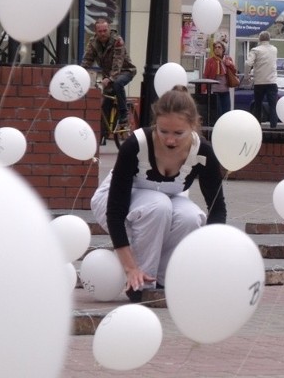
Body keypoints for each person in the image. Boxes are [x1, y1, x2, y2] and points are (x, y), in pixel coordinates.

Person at [90, 85, 227, 303]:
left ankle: (165, 280)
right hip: (114, 202)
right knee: (159, 206)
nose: (170, 140)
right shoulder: (136, 145)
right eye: (163, 131)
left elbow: (217, 209)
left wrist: (206, 256)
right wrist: (130, 267)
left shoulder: (203, 152)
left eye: (178, 133)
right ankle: (140, 283)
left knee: (191, 216)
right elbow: (115, 211)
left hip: (163, 202)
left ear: (193, 126)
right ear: (155, 123)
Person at [81, 18, 137, 128]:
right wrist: (80, 73)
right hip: (108, 75)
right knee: (106, 103)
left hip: (125, 71)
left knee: (117, 84)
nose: (102, 33)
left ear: (109, 29)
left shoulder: (117, 41)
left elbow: (118, 62)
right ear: (96, 32)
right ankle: (103, 132)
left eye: (105, 30)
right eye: (100, 31)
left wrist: (111, 78)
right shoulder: (93, 43)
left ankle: (123, 115)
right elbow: (87, 60)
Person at [244, 31, 278, 128]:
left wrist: (247, 76)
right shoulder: (274, 50)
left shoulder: (255, 50)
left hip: (259, 82)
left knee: (258, 105)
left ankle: (257, 126)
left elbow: (247, 64)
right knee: (272, 105)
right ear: (269, 39)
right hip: (272, 81)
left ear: (259, 39)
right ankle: (273, 127)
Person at [202, 40, 237, 119]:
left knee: (226, 113)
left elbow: (234, 72)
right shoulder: (210, 61)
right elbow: (206, 75)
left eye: (219, 47)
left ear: (223, 49)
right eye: (215, 48)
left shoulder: (228, 59)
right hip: (215, 91)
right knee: (218, 113)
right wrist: (203, 89)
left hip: (225, 91)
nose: (217, 49)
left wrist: (230, 65)